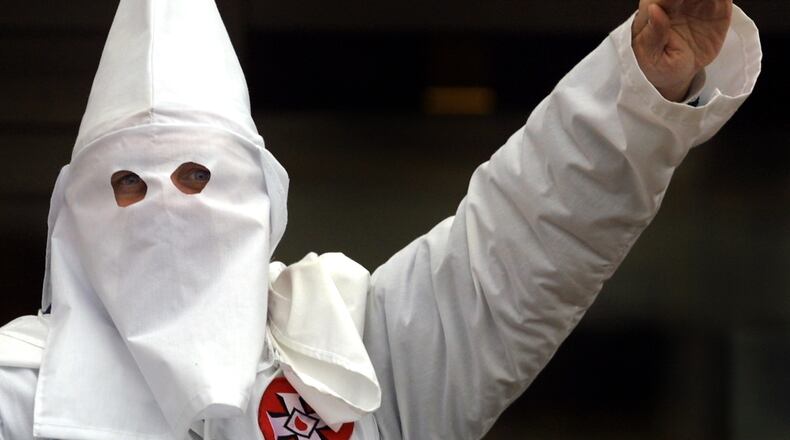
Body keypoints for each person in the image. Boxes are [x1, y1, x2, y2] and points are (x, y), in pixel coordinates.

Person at [0, 0, 761, 439]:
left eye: (200, 176)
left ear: (261, 201)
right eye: (127, 182)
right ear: (78, 214)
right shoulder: (14, 393)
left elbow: (521, 245)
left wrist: (636, 90)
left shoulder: (345, 355)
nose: (166, 208)